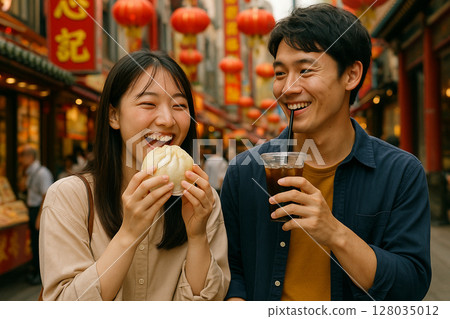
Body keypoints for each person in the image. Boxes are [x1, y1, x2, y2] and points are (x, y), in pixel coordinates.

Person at [221, 4, 431, 301]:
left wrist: (333, 232)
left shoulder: (400, 173)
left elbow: (410, 286)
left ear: (351, 75)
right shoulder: (244, 171)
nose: (287, 88)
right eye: (280, 73)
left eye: (306, 70)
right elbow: (232, 270)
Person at [39, 50, 230, 300]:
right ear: (113, 115)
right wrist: (129, 233)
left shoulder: (203, 201)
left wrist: (197, 236)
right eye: (148, 103)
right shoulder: (69, 197)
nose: (167, 119)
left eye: (180, 106)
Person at [18, 145, 53, 285]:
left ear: (30, 157)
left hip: (39, 209)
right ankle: (35, 271)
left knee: (39, 244)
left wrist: (40, 217)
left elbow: (47, 194)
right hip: (32, 209)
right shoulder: (30, 172)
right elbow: (22, 187)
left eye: (22, 156)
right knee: (33, 242)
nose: (20, 160)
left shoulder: (41, 173)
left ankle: (41, 275)